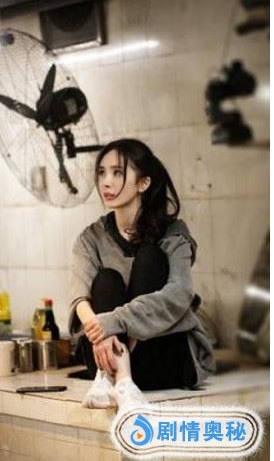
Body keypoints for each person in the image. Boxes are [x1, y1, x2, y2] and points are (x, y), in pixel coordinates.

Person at [68, 138, 215, 411]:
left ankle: (120, 377)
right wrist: (102, 332)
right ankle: (119, 378)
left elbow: (179, 294)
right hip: (102, 361)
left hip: (163, 357)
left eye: (117, 173)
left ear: (143, 183)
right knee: (106, 280)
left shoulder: (173, 234)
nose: (106, 182)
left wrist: (113, 322)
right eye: (102, 173)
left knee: (150, 258)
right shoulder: (91, 238)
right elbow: (79, 299)